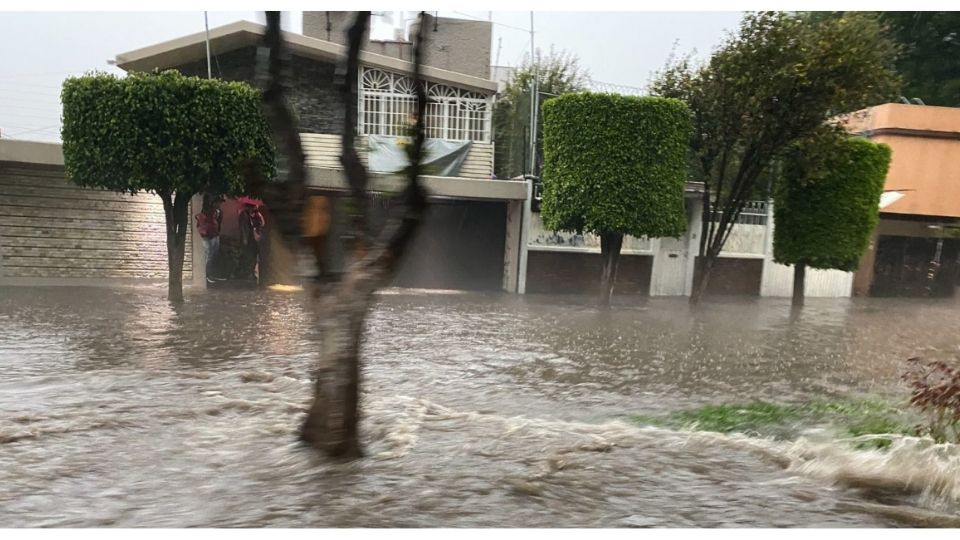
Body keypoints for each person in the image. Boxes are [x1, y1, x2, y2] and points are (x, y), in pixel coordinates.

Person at [195, 195, 223, 285]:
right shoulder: (208, 211)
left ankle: (212, 274)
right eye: (219, 202)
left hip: (214, 234)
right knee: (209, 255)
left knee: (213, 255)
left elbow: (218, 223)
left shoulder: (218, 212)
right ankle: (208, 275)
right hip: (208, 236)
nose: (220, 204)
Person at [239, 201, 265, 282]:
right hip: (248, 238)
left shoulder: (257, 214)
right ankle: (247, 273)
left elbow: (263, 223)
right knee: (248, 256)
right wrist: (244, 239)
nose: (256, 207)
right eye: (255, 206)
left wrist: (259, 216)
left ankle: (252, 272)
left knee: (254, 256)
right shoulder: (244, 214)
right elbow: (243, 228)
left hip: (256, 238)